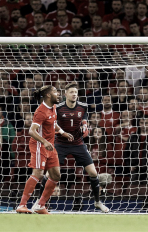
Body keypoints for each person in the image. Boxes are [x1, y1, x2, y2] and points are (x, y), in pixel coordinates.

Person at [35, 83, 109, 213]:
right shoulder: (57, 108)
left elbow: (84, 118)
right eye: (71, 92)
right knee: (49, 174)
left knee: (93, 173)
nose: (74, 94)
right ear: (65, 94)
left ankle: (97, 202)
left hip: (78, 143)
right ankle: (39, 202)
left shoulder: (83, 107)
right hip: (60, 143)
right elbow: (51, 123)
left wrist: (85, 126)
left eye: (76, 92)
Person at [16, 85, 74, 214]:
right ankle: (22, 205)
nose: (58, 94)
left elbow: (52, 123)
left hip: (49, 146)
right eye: (55, 92)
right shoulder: (40, 111)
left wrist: (62, 132)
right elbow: (32, 131)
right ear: (48, 95)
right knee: (38, 174)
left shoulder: (53, 107)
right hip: (39, 145)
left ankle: (40, 205)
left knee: (56, 175)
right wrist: (44, 141)